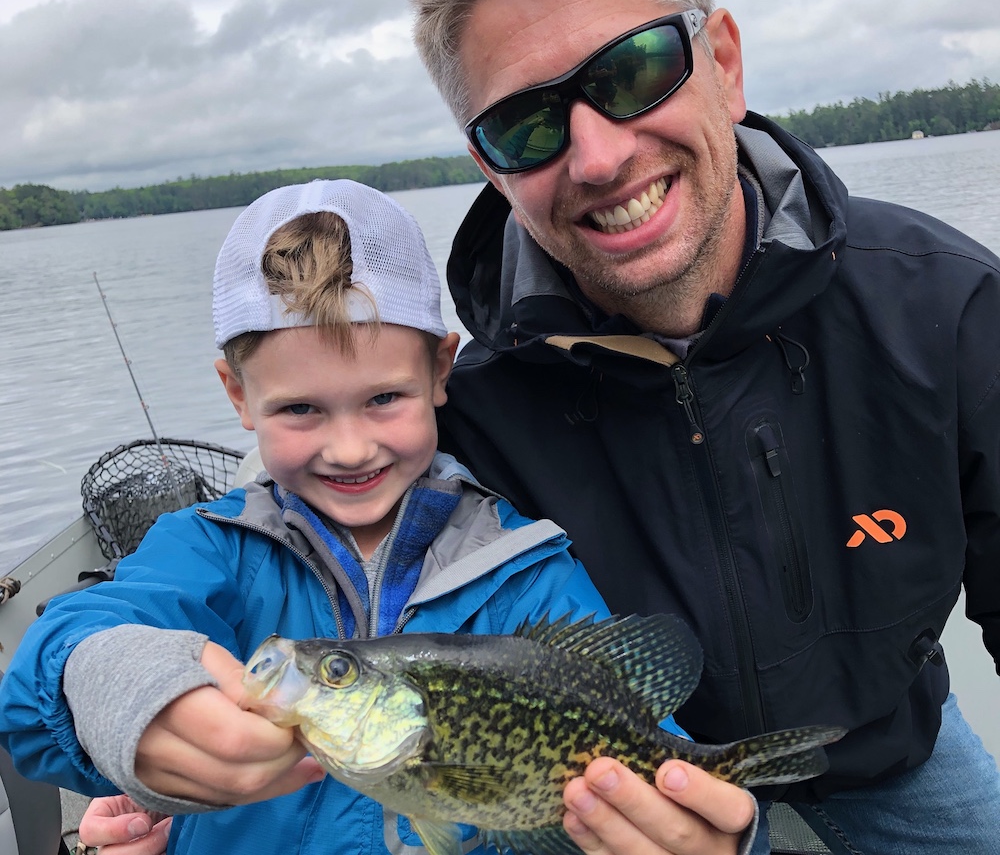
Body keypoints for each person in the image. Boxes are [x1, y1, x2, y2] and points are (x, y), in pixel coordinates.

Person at [407, 0, 1000, 852]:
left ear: (721, 62)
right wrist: (132, 721)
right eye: (525, 124)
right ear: (490, 167)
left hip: (897, 749)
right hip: (634, 798)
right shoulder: (461, 416)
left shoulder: (949, 308)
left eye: (636, 70)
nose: (597, 156)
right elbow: (282, 578)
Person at [1, 178, 754, 855]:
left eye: (383, 398)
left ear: (440, 370)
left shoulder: (529, 573)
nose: (350, 445)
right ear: (236, 395)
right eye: (300, 408)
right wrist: (124, 689)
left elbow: (643, 746)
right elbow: (42, 687)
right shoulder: (209, 552)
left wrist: (703, 830)